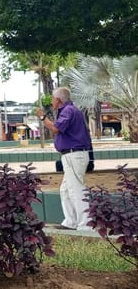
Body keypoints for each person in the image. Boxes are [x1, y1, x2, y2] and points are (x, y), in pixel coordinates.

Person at [36, 87, 92, 231]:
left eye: (53, 99)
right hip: (72, 154)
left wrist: (43, 118)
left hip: (74, 154)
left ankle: (85, 224)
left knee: (76, 189)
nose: (52, 101)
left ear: (58, 100)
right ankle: (71, 221)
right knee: (66, 190)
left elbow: (56, 128)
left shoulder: (68, 111)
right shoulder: (70, 110)